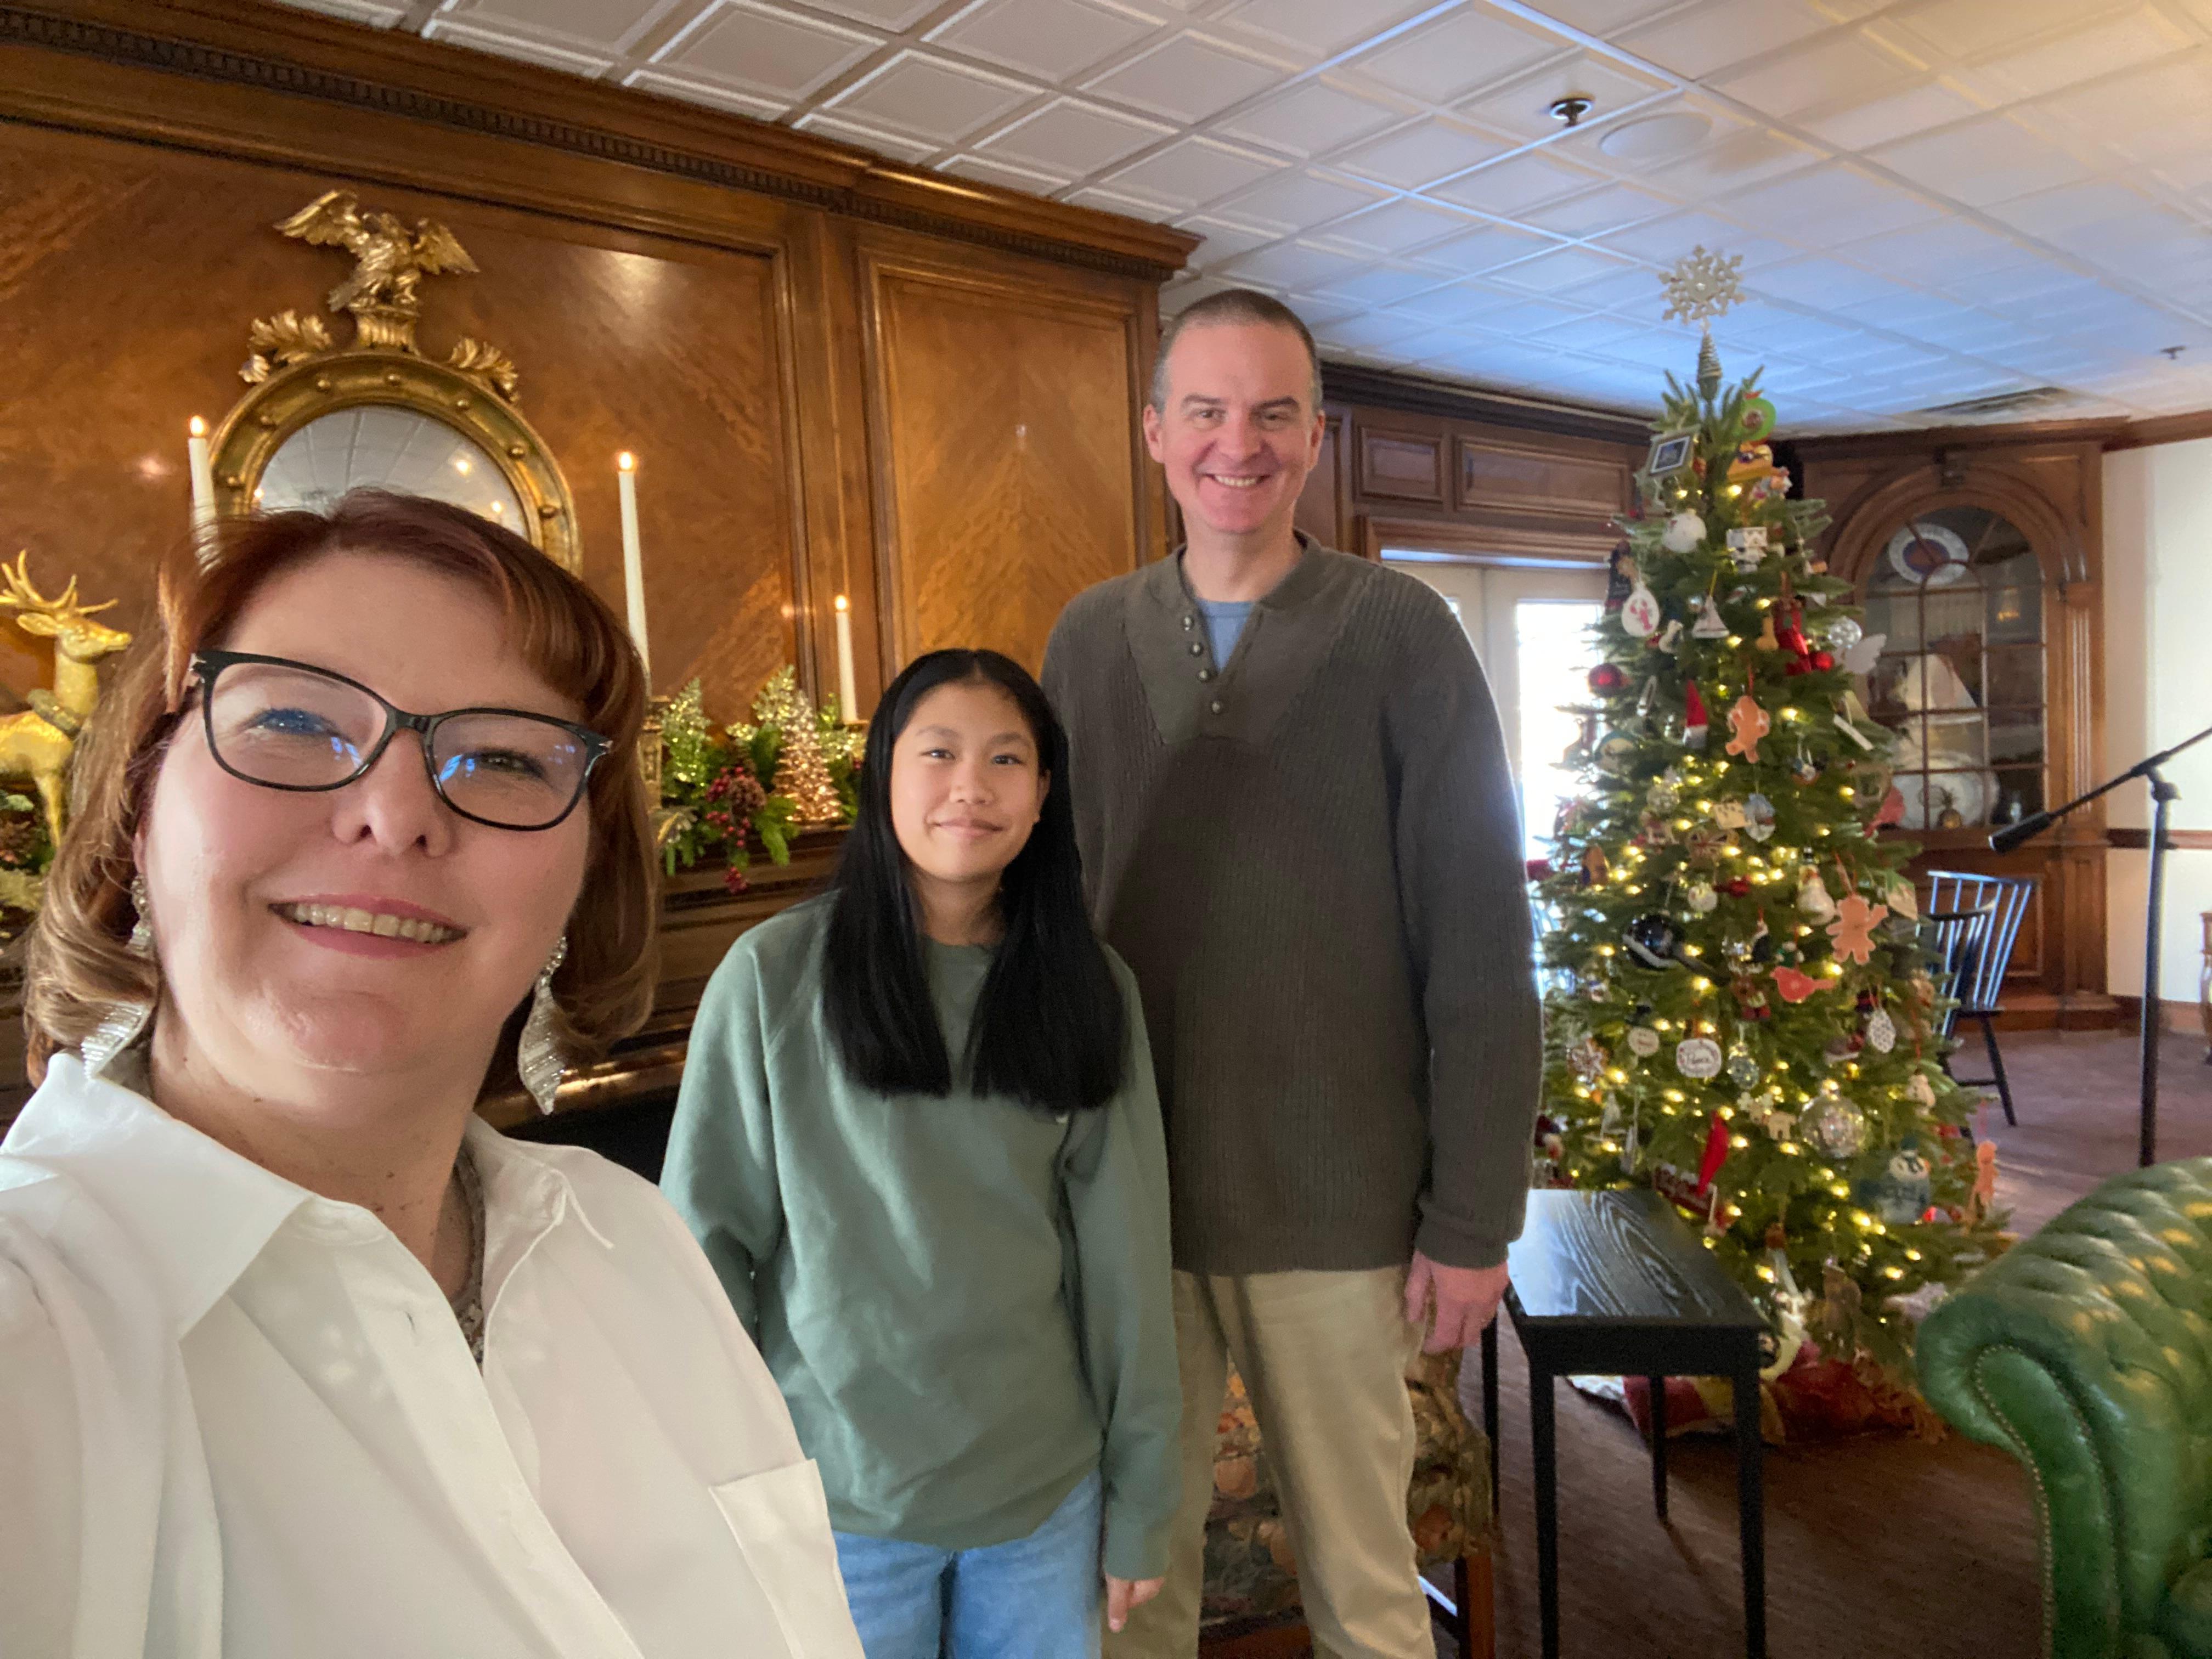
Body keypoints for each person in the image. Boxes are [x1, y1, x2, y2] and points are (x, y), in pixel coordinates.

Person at [0, 492, 862, 1659]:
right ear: (140, 816)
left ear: (580, 874)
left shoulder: (633, 1238)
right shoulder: (39, 1329)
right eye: (296, 725)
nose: (396, 813)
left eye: (505, 755)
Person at [1041, 289, 1542, 1659]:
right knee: (1128, 1590)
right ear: (1155, 433)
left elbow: (1484, 946)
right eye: (1205, 411)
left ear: (1317, 436)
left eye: (1273, 413)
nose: (1237, 443)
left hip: (1340, 1205)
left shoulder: (1404, 635)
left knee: (1365, 1588)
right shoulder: (1086, 642)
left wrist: (1474, 1212)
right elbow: (1047, 915)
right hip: (1131, 1195)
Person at [664, 648, 1180, 1659]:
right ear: (884, 776)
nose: (969, 788)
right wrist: (715, 1480)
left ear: (1043, 798)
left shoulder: (1089, 986)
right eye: (937, 752)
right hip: (838, 1493)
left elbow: (1126, 1261)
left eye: (1006, 761)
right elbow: (702, 1255)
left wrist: (1145, 1496)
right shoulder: (772, 976)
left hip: (1042, 1496)